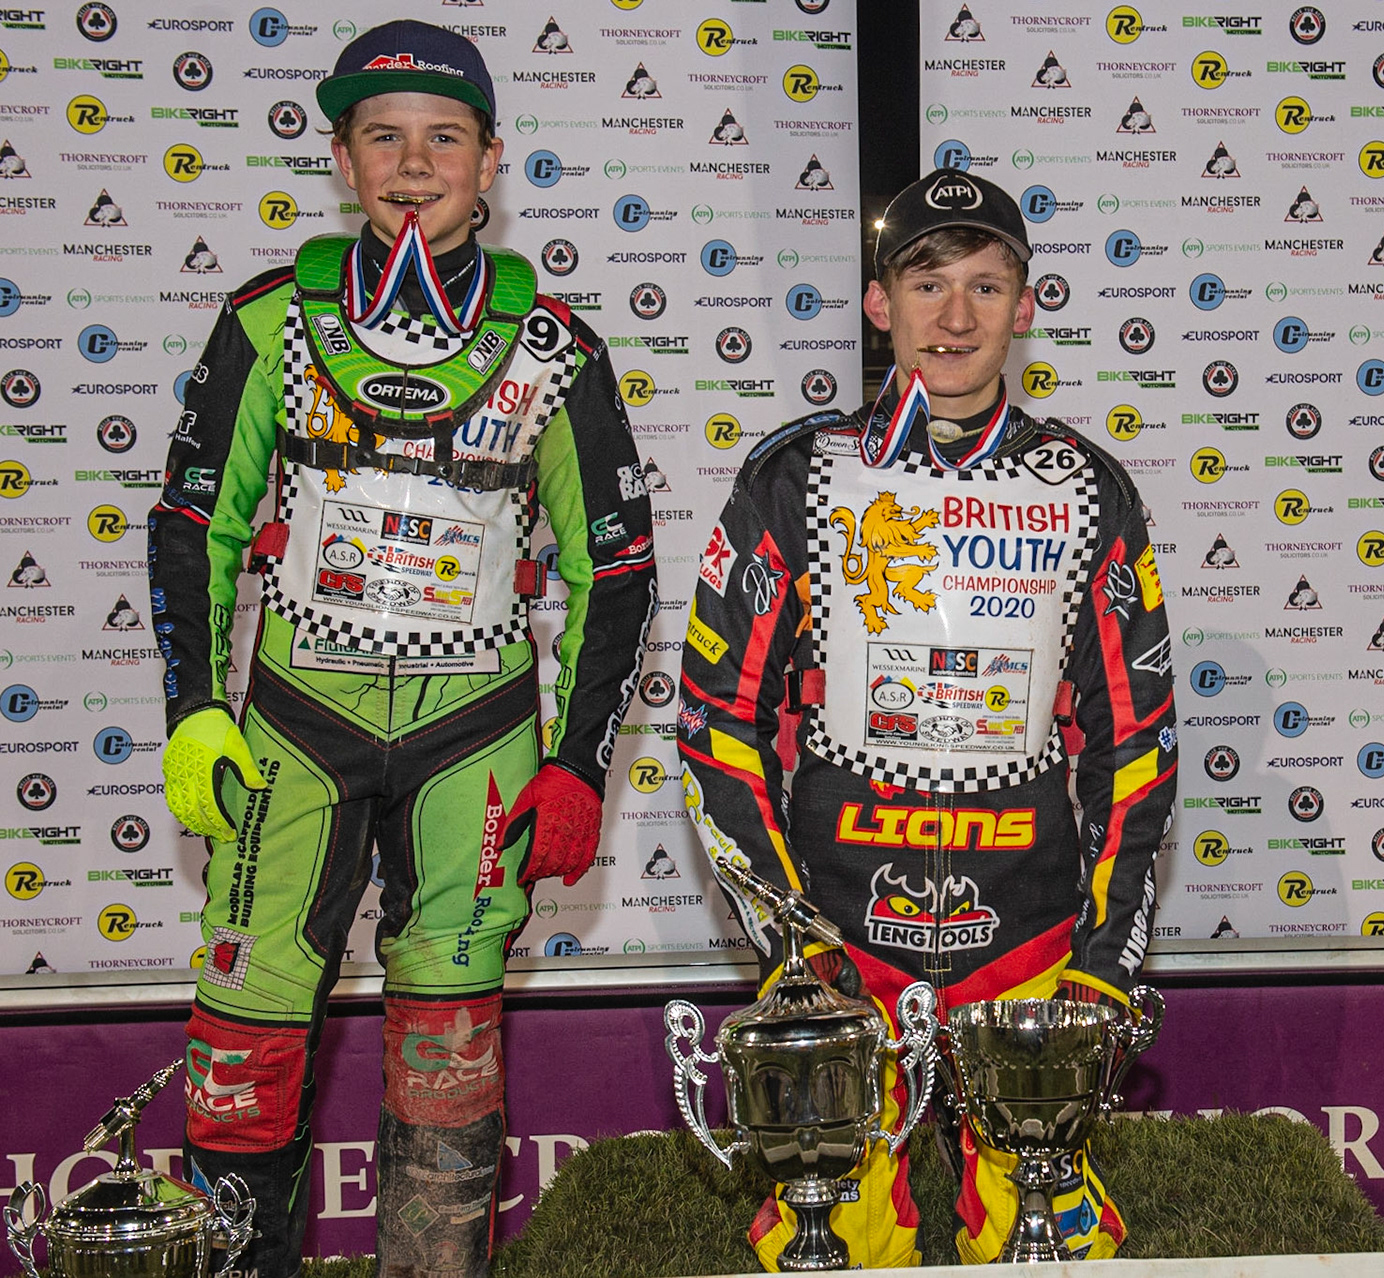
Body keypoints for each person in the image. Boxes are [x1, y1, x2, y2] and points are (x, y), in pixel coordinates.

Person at [148, 21, 657, 1276]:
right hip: (294, 727)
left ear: (490, 162)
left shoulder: (555, 345)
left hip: (472, 738)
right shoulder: (268, 319)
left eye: (444, 138)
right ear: (342, 158)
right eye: (385, 138)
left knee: (448, 1045)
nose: (414, 165)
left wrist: (580, 762)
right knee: (246, 1035)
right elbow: (195, 523)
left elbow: (617, 566)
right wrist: (192, 709)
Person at [676, 168, 1177, 1267]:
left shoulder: (1088, 488)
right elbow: (716, 723)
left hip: (1032, 938)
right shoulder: (795, 478)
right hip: (846, 936)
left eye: (986, 286)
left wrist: (1106, 956)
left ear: (1027, 306)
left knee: (1052, 1233)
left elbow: (1136, 743)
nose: (955, 317)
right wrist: (791, 946)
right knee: (832, 1239)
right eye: (928, 283)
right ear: (878, 303)